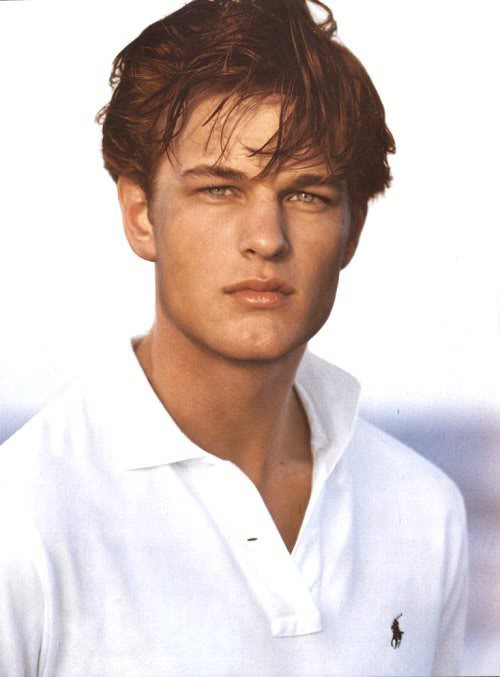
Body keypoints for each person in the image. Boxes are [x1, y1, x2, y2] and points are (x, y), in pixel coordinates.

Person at [0, 1, 468, 675]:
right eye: (221, 189)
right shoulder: (23, 517)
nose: (267, 239)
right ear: (141, 214)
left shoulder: (424, 513)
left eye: (306, 194)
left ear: (352, 230)